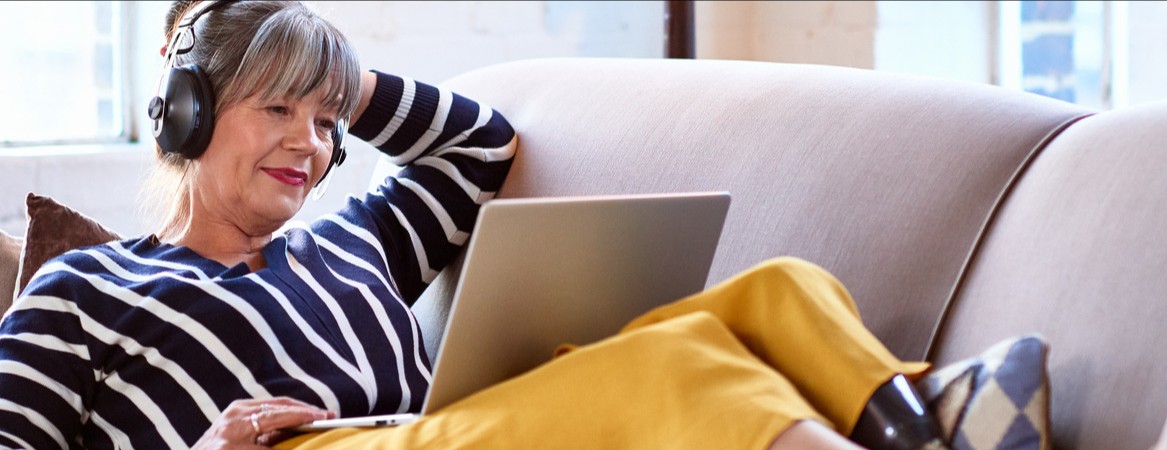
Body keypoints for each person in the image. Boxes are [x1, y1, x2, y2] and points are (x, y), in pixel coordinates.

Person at [0, 2, 949, 449]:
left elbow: (478, 150)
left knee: (771, 293)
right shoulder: (85, 290)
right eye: (278, 109)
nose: (313, 145)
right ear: (193, 114)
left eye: (326, 123)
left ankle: (938, 419)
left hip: (431, 434)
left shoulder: (351, 244)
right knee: (673, 366)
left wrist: (341, 77)